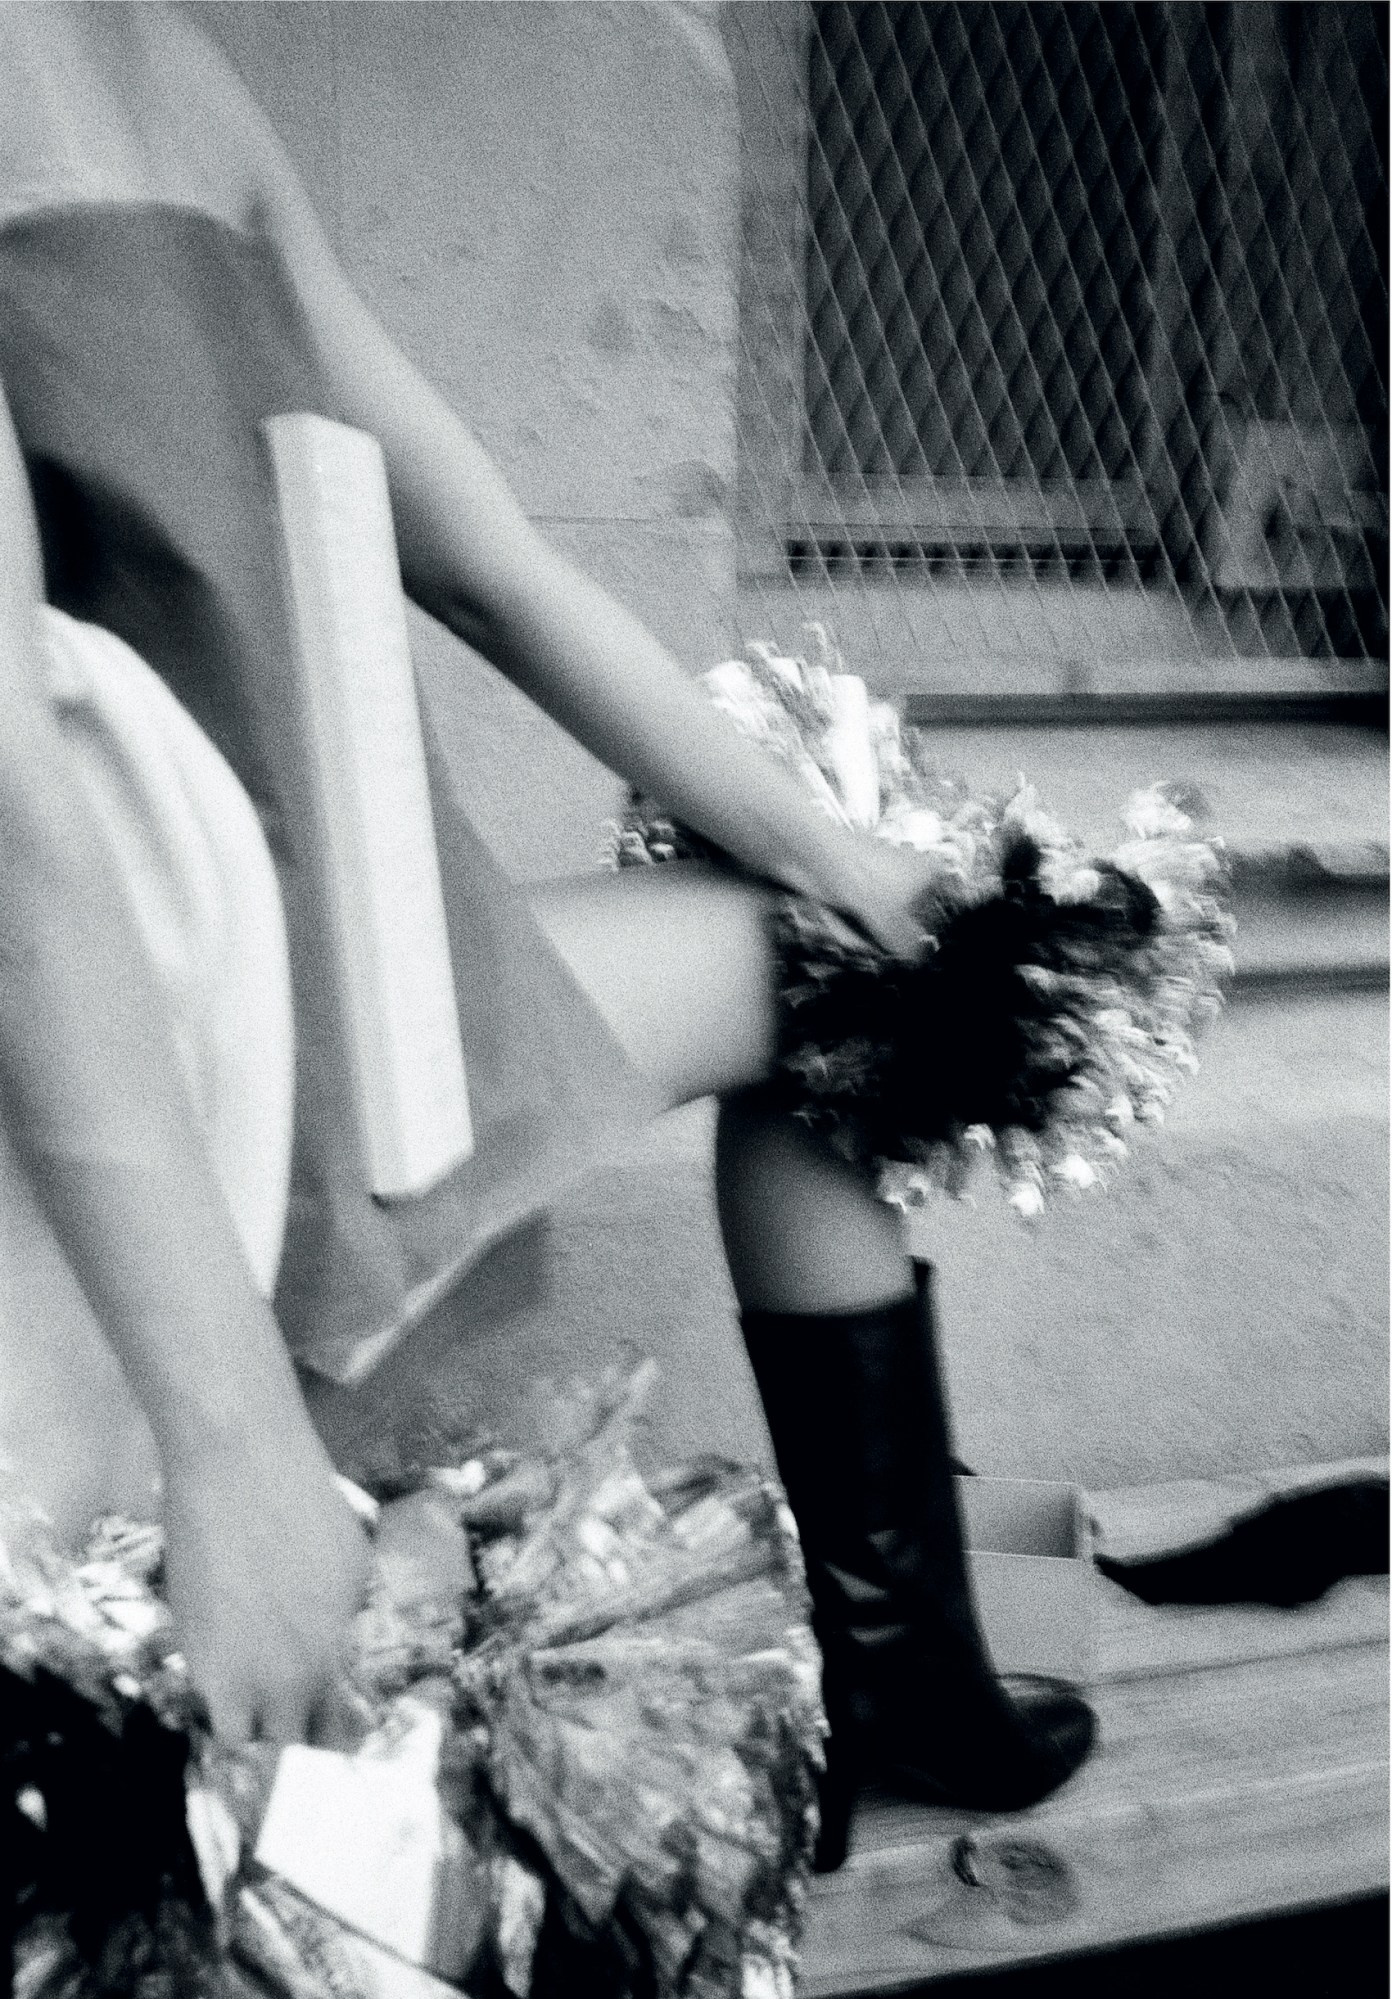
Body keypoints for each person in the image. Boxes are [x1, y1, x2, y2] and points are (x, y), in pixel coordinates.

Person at [0, 4, 1090, 1862]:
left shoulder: (177, 76)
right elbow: (9, 800)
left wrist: (842, 855)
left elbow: (493, 560)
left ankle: (902, 1681)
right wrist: (236, 1436)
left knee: (846, 982)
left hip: (333, 997)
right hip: (100, 1065)